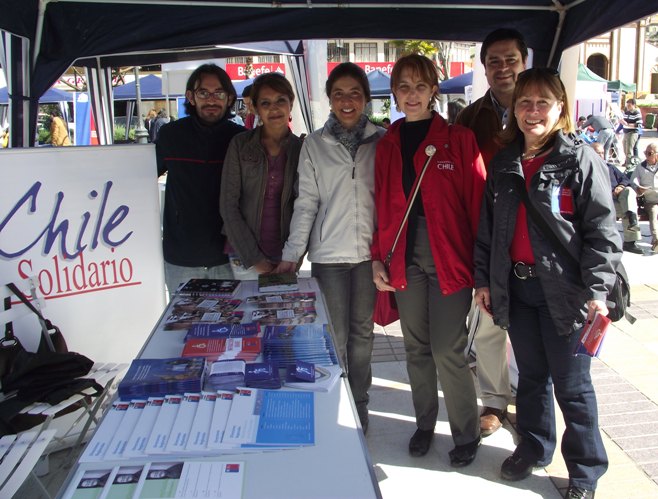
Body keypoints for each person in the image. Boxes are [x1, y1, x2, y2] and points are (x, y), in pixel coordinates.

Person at [473, 67, 621, 499]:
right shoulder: (503, 162)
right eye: (524, 102)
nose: (532, 111)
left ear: (560, 109)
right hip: (517, 290)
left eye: (542, 102)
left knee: (573, 388)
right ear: (514, 108)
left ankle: (586, 470)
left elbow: (602, 233)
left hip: (566, 293)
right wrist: (484, 279)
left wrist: (597, 291)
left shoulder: (580, 159)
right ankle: (535, 447)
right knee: (533, 378)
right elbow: (487, 230)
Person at [372, 54, 486, 466]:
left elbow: (477, 206)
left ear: (434, 90)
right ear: (395, 92)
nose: (412, 94)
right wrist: (375, 258)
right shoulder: (386, 142)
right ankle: (424, 423)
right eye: (404, 86)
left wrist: (482, 269)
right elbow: (379, 206)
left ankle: (466, 432)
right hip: (402, 254)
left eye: (421, 85)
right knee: (416, 347)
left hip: (449, 255)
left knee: (447, 350)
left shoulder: (459, 139)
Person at [275, 62, 385, 434]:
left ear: (366, 98)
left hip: (370, 258)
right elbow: (306, 202)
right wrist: (293, 254)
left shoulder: (383, 141)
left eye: (355, 92)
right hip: (329, 257)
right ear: (330, 100)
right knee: (335, 335)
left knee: (363, 334)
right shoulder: (314, 145)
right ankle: (338, 402)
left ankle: (361, 404)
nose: (347, 100)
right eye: (338, 94)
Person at [455, 27, 528, 437]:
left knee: (533, 327)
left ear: (524, 61)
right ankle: (496, 402)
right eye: (494, 61)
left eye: (510, 60)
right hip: (486, 234)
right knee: (487, 324)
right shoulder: (469, 118)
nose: (503, 68)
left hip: (533, 234)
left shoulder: (539, 105)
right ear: (484, 67)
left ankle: (533, 402)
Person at [156, 63, 245, 298]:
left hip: (228, 258)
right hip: (181, 259)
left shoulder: (239, 139)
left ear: (229, 98)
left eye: (219, 93)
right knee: (183, 332)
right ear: (191, 97)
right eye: (203, 92)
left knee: (228, 329)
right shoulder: (170, 135)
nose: (211, 100)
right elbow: (141, 182)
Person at [220, 73, 303, 280]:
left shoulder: (302, 149)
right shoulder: (240, 145)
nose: (274, 108)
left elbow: (307, 207)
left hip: (286, 256)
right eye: (265, 103)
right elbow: (228, 205)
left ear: (290, 104)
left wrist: (294, 257)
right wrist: (255, 259)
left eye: (280, 100)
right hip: (245, 256)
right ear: (255, 108)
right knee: (248, 312)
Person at [591, 142, 643, 254]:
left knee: (628, 192)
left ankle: (630, 239)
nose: (600, 155)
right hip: (603, 202)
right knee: (626, 209)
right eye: (597, 153)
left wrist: (621, 186)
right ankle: (631, 217)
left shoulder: (610, 168)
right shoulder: (588, 170)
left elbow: (625, 179)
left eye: (602, 153)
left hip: (618, 200)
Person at [631, 143, 658, 253]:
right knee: (653, 213)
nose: (646, 155)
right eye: (645, 153)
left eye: (649, 153)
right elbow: (633, 182)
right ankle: (656, 241)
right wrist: (639, 188)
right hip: (651, 200)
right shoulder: (640, 167)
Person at [621, 98, 643, 167]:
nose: (628, 107)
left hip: (632, 132)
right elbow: (623, 121)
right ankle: (627, 161)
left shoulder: (636, 113)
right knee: (625, 148)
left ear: (634, 105)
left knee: (629, 149)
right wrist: (621, 122)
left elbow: (639, 124)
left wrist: (627, 124)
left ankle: (629, 163)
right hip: (625, 132)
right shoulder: (626, 112)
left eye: (629, 105)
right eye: (627, 105)